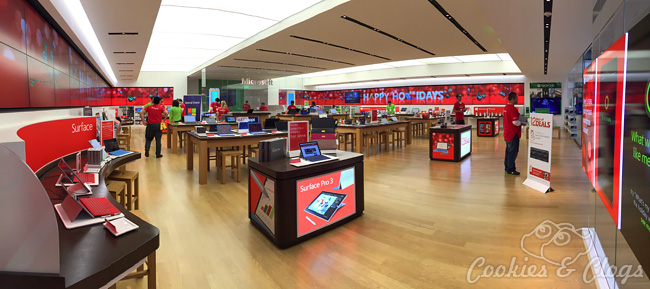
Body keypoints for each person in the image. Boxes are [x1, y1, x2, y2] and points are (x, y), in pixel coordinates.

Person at [503, 92, 525, 175]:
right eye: (516, 98)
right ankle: (511, 169)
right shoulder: (512, 109)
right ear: (513, 98)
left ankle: (507, 167)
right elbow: (515, 122)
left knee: (508, 151)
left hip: (507, 133)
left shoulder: (506, 107)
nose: (517, 99)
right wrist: (523, 123)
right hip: (513, 134)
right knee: (513, 152)